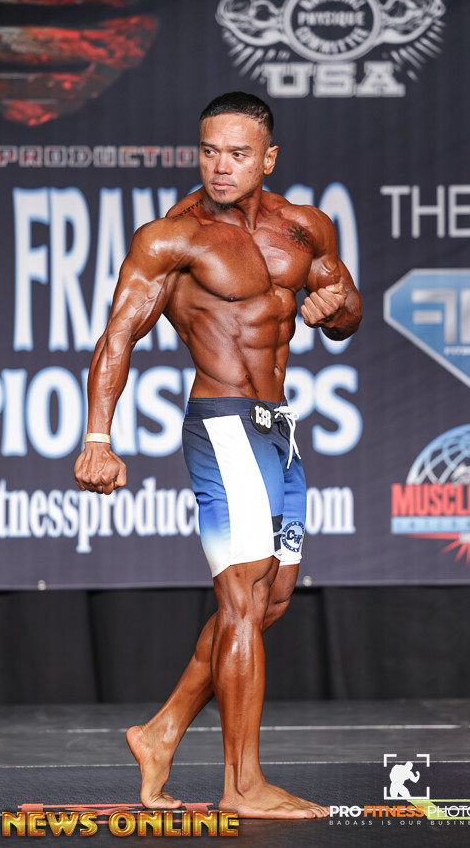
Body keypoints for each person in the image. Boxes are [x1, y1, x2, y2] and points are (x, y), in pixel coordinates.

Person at [74, 92, 362, 819]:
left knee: (273, 598)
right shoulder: (172, 238)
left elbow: (347, 308)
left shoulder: (305, 226)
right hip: (223, 421)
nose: (220, 166)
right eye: (209, 151)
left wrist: (336, 312)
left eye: (237, 153)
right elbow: (117, 335)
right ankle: (242, 784)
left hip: (277, 427)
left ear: (269, 158)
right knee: (242, 594)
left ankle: (161, 732)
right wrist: (98, 438)